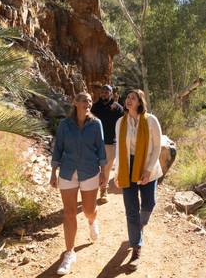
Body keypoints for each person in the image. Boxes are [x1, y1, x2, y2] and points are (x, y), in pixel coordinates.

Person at [50, 92, 107, 275]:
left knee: (89, 209)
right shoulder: (65, 125)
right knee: (69, 212)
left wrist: (104, 173)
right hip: (67, 172)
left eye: (90, 100)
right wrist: (53, 172)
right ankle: (69, 253)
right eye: (84, 100)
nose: (87, 103)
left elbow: (101, 148)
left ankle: (92, 220)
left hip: (90, 171)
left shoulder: (96, 124)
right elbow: (58, 148)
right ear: (75, 103)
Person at [114, 89, 163, 271]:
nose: (128, 100)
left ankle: (139, 226)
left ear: (140, 102)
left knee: (149, 203)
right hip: (128, 167)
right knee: (131, 209)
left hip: (146, 164)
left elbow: (158, 146)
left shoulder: (151, 120)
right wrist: (117, 173)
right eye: (127, 97)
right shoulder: (121, 122)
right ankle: (136, 248)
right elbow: (119, 149)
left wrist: (148, 170)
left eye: (132, 98)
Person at [90, 84, 124, 203]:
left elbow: (124, 122)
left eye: (107, 91)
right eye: (102, 91)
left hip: (111, 143)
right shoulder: (94, 107)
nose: (104, 93)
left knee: (107, 168)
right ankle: (91, 190)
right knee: (94, 167)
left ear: (111, 93)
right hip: (95, 142)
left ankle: (103, 190)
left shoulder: (118, 108)